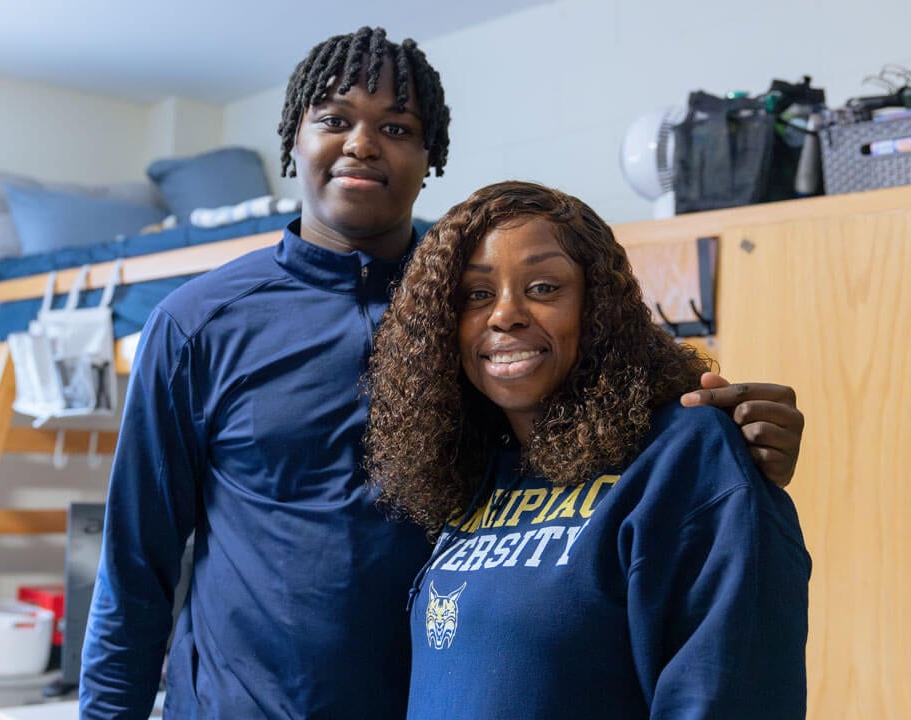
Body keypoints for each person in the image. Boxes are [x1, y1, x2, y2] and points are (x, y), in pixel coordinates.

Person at [80, 26, 806, 720]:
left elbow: (608, 383)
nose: (361, 143)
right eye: (333, 119)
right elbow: (134, 566)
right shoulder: (196, 324)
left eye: (397, 127)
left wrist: (726, 432)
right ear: (293, 141)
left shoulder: (468, 296)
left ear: (432, 155)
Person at [365, 180, 810, 718]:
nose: (505, 314)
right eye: (476, 295)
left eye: (543, 287)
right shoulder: (481, 471)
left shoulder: (684, 454)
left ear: (597, 306)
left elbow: (724, 693)